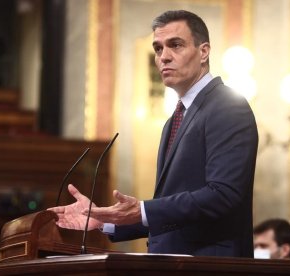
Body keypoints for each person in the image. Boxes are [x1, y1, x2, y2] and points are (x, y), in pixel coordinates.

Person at [48, 10, 258, 257]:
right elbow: (172, 210)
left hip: (210, 265)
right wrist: (102, 220)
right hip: (173, 264)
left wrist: (143, 210)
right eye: (158, 49)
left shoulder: (227, 105)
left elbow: (224, 195)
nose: (163, 57)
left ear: (203, 52)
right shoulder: (175, 119)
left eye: (176, 45)